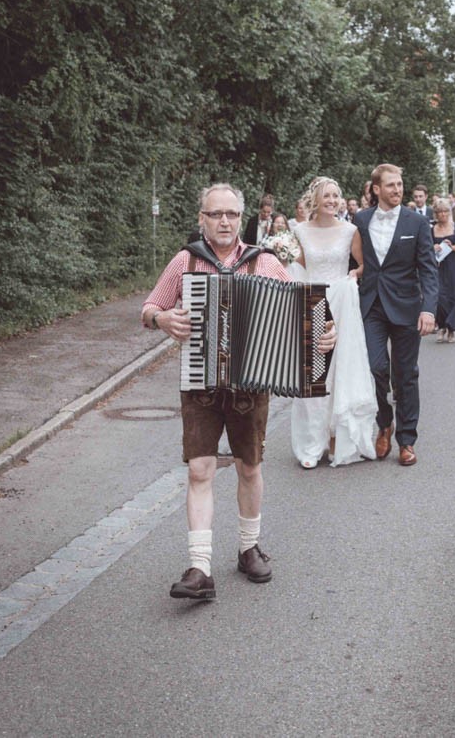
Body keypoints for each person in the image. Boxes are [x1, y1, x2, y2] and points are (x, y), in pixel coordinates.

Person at [142, 182, 335, 601]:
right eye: (216, 214)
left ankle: (248, 548)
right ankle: (199, 567)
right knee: (199, 469)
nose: (224, 221)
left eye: (231, 214)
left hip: (250, 386)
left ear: (240, 218)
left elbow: (306, 313)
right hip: (201, 384)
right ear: (202, 219)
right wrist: (163, 321)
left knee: (249, 466)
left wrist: (322, 335)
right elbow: (150, 307)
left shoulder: (263, 262)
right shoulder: (185, 261)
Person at [354, 163, 439, 466]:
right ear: (376, 189)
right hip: (372, 307)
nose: (398, 189)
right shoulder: (360, 220)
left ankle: (407, 440)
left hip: (406, 307)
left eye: (400, 184)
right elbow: (352, 261)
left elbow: (428, 269)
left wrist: (428, 308)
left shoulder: (416, 223)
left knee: (405, 376)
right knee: (375, 368)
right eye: (391, 185)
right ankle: (384, 423)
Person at [291, 177, 377, 469]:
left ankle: (336, 437)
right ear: (316, 199)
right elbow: (296, 266)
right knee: (312, 373)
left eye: (336, 195)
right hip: (309, 302)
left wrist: (354, 276)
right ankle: (313, 443)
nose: (332, 200)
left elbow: (364, 264)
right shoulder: (299, 231)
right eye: (326, 195)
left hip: (340, 304)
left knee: (338, 371)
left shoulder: (350, 231)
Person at [431, 199, 455, 343]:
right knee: (440, 297)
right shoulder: (432, 229)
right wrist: (433, 247)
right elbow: (424, 248)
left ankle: (451, 329)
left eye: (445, 211)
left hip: (453, 266)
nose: (443, 214)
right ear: (435, 214)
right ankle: (441, 326)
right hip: (438, 267)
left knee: (454, 296)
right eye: (439, 212)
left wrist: (452, 247)